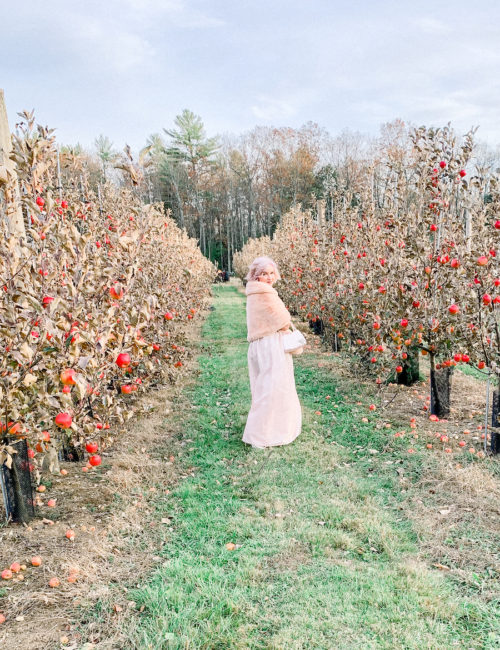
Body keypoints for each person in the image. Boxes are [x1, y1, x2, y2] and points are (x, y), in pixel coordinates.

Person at [242, 256, 302, 448]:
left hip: (260, 346)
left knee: (264, 389)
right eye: (263, 274)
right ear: (256, 276)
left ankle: (266, 431)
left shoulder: (253, 293)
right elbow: (283, 320)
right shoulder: (265, 293)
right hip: (270, 346)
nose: (268, 277)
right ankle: (264, 435)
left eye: (270, 273)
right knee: (274, 390)